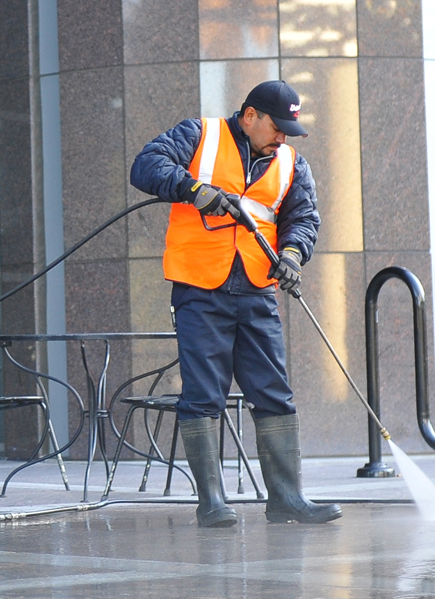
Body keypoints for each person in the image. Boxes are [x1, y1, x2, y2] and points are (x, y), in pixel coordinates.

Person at [130, 80, 342, 528]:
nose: (282, 136)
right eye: (276, 126)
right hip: (200, 288)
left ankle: (287, 499)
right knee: (204, 395)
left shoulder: (291, 165)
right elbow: (145, 165)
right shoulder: (199, 135)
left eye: (289, 129)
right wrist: (191, 188)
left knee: (274, 394)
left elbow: (302, 218)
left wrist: (290, 255)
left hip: (256, 289)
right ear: (249, 116)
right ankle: (211, 504)